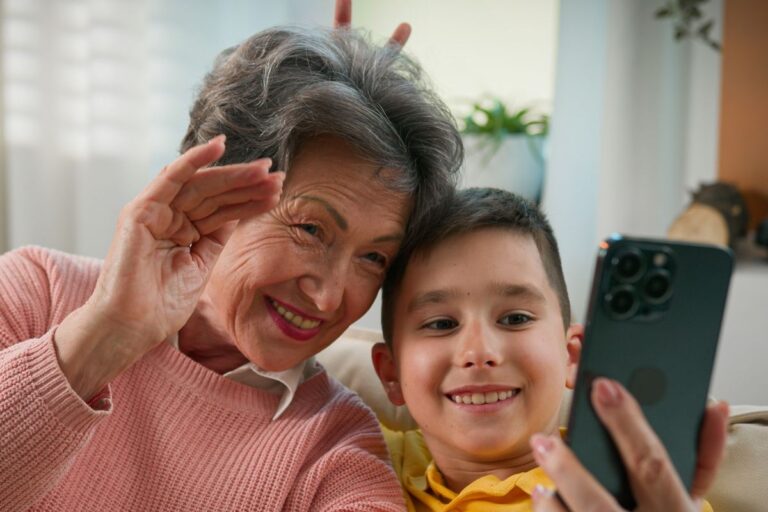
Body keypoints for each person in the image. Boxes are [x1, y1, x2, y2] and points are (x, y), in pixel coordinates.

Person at [0, 7, 464, 511]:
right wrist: (106, 335)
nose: (331, 296)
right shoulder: (36, 292)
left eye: (374, 257)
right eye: (311, 228)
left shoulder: (334, 443)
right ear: (212, 187)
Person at [371, 187, 730, 511]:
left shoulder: (638, 495)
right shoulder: (361, 455)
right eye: (441, 324)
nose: (479, 352)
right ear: (391, 373)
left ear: (573, 355)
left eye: (515, 318)